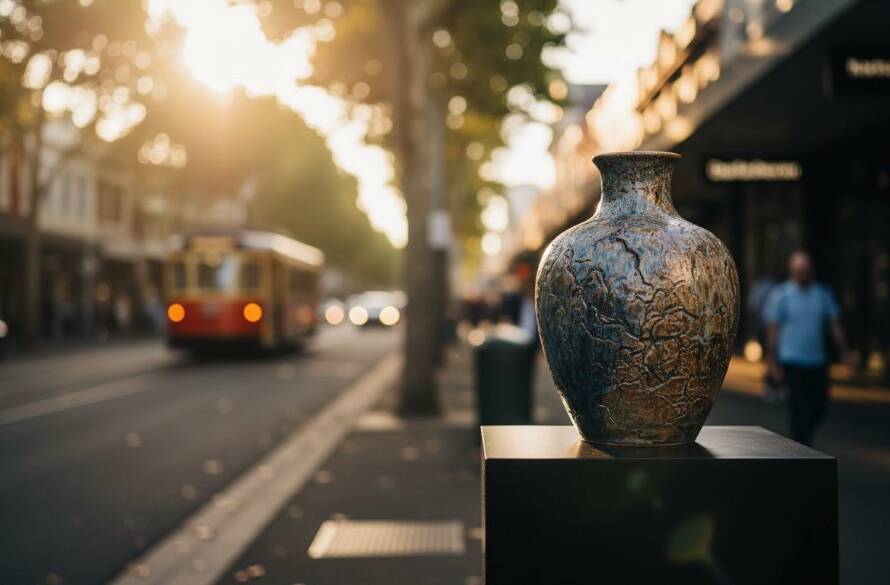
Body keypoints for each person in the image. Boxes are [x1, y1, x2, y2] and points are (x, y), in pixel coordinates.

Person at [764, 250, 850, 446]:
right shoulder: (782, 295)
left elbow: (834, 324)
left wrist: (844, 349)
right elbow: (773, 329)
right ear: (792, 271)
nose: (802, 274)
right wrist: (771, 360)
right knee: (798, 407)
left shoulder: (822, 294)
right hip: (791, 360)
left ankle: (803, 441)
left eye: (805, 271)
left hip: (816, 360)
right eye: (798, 271)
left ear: (810, 271)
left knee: (820, 404)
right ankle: (802, 446)